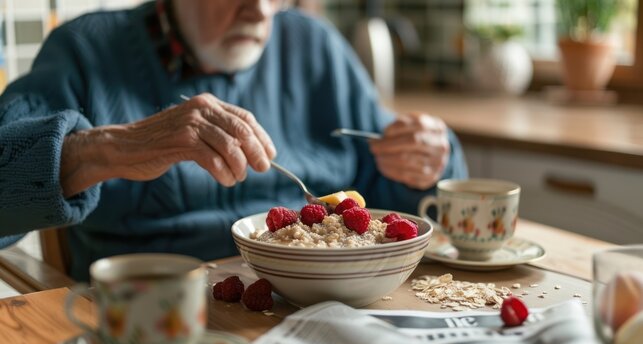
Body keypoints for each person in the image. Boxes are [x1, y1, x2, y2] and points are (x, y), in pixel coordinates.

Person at [0, 0, 467, 281]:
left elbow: (396, 202)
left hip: (326, 305)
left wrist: (428, 161)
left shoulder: (313, 44)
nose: (261, 11)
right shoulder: (85, 51)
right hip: (163, 313)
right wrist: (110, 147)